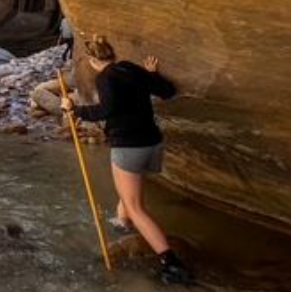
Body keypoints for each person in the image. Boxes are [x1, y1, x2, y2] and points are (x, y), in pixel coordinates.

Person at [60, 35, 194, 286]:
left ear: (92, 60)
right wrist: (152, 76)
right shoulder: (132, 69)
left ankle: (171, 263)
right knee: (128, 194)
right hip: (152, 143)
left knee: (136, 207)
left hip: (129, 146)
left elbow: (105, 111)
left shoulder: (106, 78)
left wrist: (73, 109)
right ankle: (122, 225)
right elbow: (167, 92)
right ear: (111, 53)